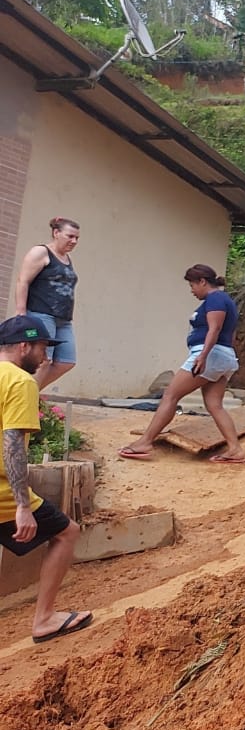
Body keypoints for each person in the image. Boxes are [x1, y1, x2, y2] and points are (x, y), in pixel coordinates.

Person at [0, 315, 88, 642]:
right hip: (3, 495)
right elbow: (12, 445)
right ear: (24, 346)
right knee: (67, 532)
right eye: (41, 348)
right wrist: (23, 506)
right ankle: (45, 619)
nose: (45, 357)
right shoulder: (21, 383)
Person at [117, 264, 245, 464]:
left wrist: (203, 356)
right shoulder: (224, 300)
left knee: (171, 395)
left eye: (192, 285)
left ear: (202, 281)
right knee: (214, 405)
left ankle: (145, 442)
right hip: (223, 356)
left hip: (210, 354)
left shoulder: (215, 298)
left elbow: (215, 329)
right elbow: (229, 333)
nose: (192, 290)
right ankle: (235, 449)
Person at [14, 216, 80, 389]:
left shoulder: (66, 258)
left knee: (66, 361)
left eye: (77, 238)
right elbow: (23, 281)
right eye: (70, 236)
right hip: (41, 314)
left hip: (63, 320)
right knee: (43, 360)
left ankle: (29, 393)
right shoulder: (41, 252)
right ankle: (24, 399)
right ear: (56, 232)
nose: (74, 241)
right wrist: (21, 314)